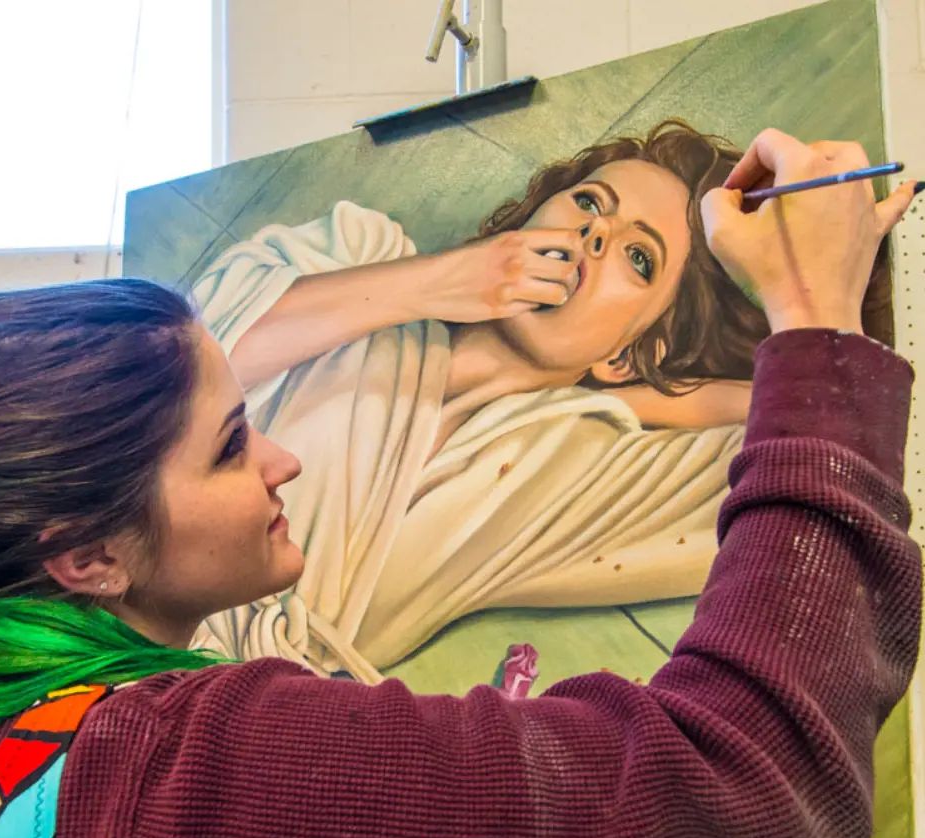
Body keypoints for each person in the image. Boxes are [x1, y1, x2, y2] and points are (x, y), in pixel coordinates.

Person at [0, 129, 919, 838]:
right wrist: (816, 321)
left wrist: (667, 387)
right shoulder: (202, 773)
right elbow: (728, 784)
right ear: (89, 556)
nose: (281, 458)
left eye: (636, 256)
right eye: (230, 445)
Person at [191, 121, 894, 679]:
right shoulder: (359, 249)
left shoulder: (566, 463)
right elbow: (189, 368)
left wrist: (653, 397)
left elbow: (815, 444)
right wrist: (438, 282)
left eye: (638, 257)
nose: (594, 232)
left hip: (260, 728)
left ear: (630, 354)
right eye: (589, 202)